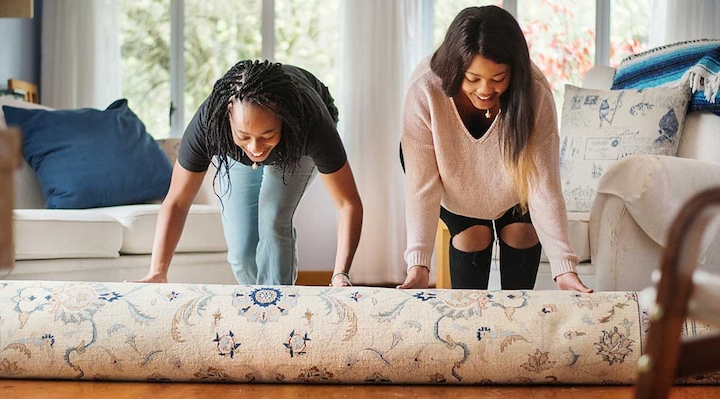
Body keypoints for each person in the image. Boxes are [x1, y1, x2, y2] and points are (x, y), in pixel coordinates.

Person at [397, 6, 592, 293]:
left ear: (515, 71)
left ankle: (518, 327)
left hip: (511, 182)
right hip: (452, 180)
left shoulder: (534, 92)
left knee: (521, 233)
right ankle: (467, 328)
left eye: (498, 79)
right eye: (473, 79)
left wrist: (565, 269)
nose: (485, 90)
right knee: (474, 235)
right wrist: (418, 265)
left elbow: (543, 185)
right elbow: (422, 188)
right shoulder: (425, 89)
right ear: (455, 67)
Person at [136, 60, 363, 287]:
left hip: (296, 140)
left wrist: (340, 273)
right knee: (241, 250)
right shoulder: (209, 125)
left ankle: (279, 308)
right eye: (244, 136)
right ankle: (257, 306)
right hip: (237, 150)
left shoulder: (311, 122)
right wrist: (157, 271)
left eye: (267, 135)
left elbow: (347, 204)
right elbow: (176, 202)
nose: (255, 148)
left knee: (272, 218)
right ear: (228, 118)